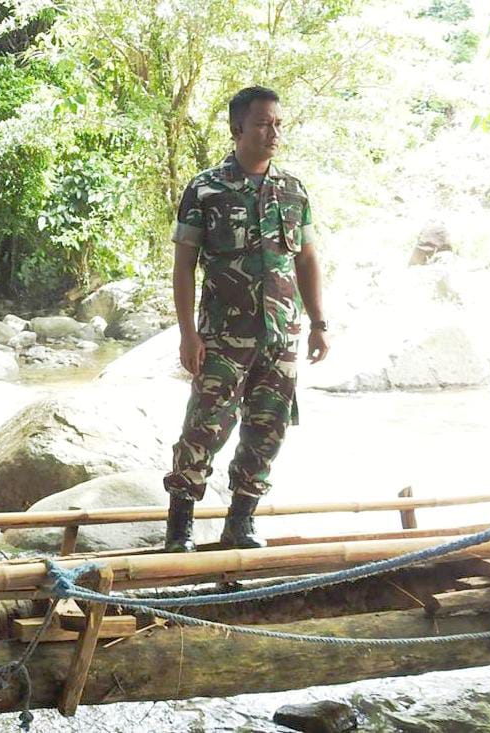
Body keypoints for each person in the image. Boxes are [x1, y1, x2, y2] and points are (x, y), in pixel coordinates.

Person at [163, 86, 329, 553]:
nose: (272, 132)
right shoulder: (205, 188)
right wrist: (188, 334)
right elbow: (184, 265)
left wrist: (319, 322)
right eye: (262, 123)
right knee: (204, 429)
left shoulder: (292, 190)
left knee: (267, 431)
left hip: (280, 337)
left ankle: (241, 522)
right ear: (238, 128)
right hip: (223, 337)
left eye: (277, 123)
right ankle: (180, 531)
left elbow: (308, 260)